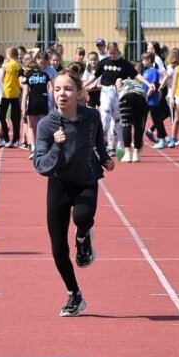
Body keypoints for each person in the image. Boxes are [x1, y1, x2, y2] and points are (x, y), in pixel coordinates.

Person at [34, 70, 113, 317]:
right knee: (58, 249)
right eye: (57, 89)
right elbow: (41, 165)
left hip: (86, 179)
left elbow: (97, 140)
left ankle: (83, 238)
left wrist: (105, 157)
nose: (62, 94)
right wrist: (57, 146)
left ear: (79, 93)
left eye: (68, 89)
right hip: (58, 184)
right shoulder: (47, 125)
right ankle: (74, 294)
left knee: (82, 217)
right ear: (51, 92)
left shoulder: (91, 116)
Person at [21, 56, 52, 159]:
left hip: (33, 103)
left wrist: (23, 107)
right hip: (43, 101)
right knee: (43, 126)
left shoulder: (27, 76)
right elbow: (51, 89)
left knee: (30, 126)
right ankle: (44, 147)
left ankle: (34, 148)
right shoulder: (45, 74)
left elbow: (25, 93)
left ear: (27, 67)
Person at [0, 47, 22, 148]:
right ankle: (16, 140)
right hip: (15, 93)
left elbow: (2, 78)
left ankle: (6, 139)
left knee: (2, 116)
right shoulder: (18, 65)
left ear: (9, 55)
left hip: (6, 93)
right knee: (15, 118)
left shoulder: (6, 65)